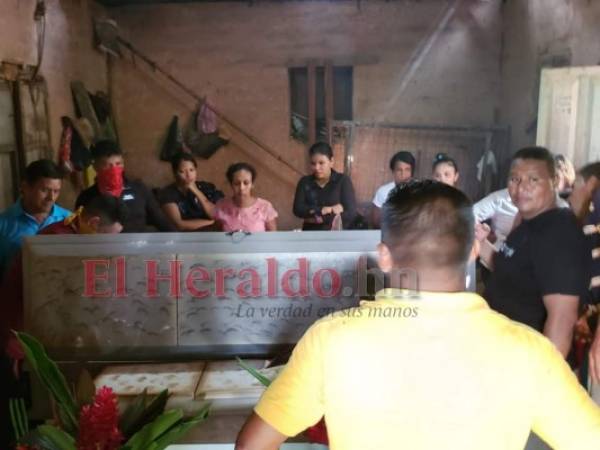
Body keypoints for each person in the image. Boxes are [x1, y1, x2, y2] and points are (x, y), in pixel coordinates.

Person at [235, 180, 600, 450]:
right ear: (474, 249)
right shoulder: (531, 352)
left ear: (384, 255)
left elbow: (252, 445)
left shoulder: (331, 341)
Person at [0, 193, 127, 448]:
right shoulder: (57, 244)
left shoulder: (74, 233)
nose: (111, 245)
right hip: (22, 342)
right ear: (92, 223)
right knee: (29, 425)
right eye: (109, 237)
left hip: (52, 338)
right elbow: (54, 305)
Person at [484, 147, 590, 358]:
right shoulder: (527, 224)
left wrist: (545, 377)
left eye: (533, 180)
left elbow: (562, 318)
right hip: (504, 352)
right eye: (514, 179)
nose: (521, 188)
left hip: (529, 362)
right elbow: (510, 268)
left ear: (554, 181)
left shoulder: (559, 232)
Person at [75, 140, 174, 232]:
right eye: (107, 165)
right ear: (95, 167)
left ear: (123, 164)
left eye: (118, 164)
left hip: (137, 247)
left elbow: (162, 222)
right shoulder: (86, 197)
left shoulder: (139, 189)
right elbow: (79, 230)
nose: (114, 169)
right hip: (104, 249)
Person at [0, 159, 70, 281]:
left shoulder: (70, 221)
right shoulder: (3, 224)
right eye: (44, 190)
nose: (51, 198)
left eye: (56, 191)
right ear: (25, 187)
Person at [293, 142, 357, 230]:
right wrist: (322, 210)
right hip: (310, 235)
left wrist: (320, 219)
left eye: (321, 163)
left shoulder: (342, 181)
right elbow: (298, 209)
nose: (316, 167)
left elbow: (351, 212)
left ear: (331, 162)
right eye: (313, 163)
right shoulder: (305, 182)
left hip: (336, 236)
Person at [158, 153, 223, 231]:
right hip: (186, 237)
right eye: (182, 171)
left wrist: (195, 190)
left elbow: (215, 215)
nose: (188, 175)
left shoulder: (206, 187)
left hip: (211, 234)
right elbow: (179, 224)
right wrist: (212, 223)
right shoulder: (168, 194)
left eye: (191, 170)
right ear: (175, 173)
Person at [214, 162, 278, 232]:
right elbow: (218, 235)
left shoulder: (264, 207)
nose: (241, 188)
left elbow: (272, 237)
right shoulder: (221, 206)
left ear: (252, 184)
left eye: (246, 183)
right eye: (237, 183)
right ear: (231, 184)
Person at [371, 150, 415, 228]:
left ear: (412, 172)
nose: (403, 174)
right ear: (393, 171)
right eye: (399, 170)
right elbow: (375, 221)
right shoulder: (383, 192)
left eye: (407, 170)